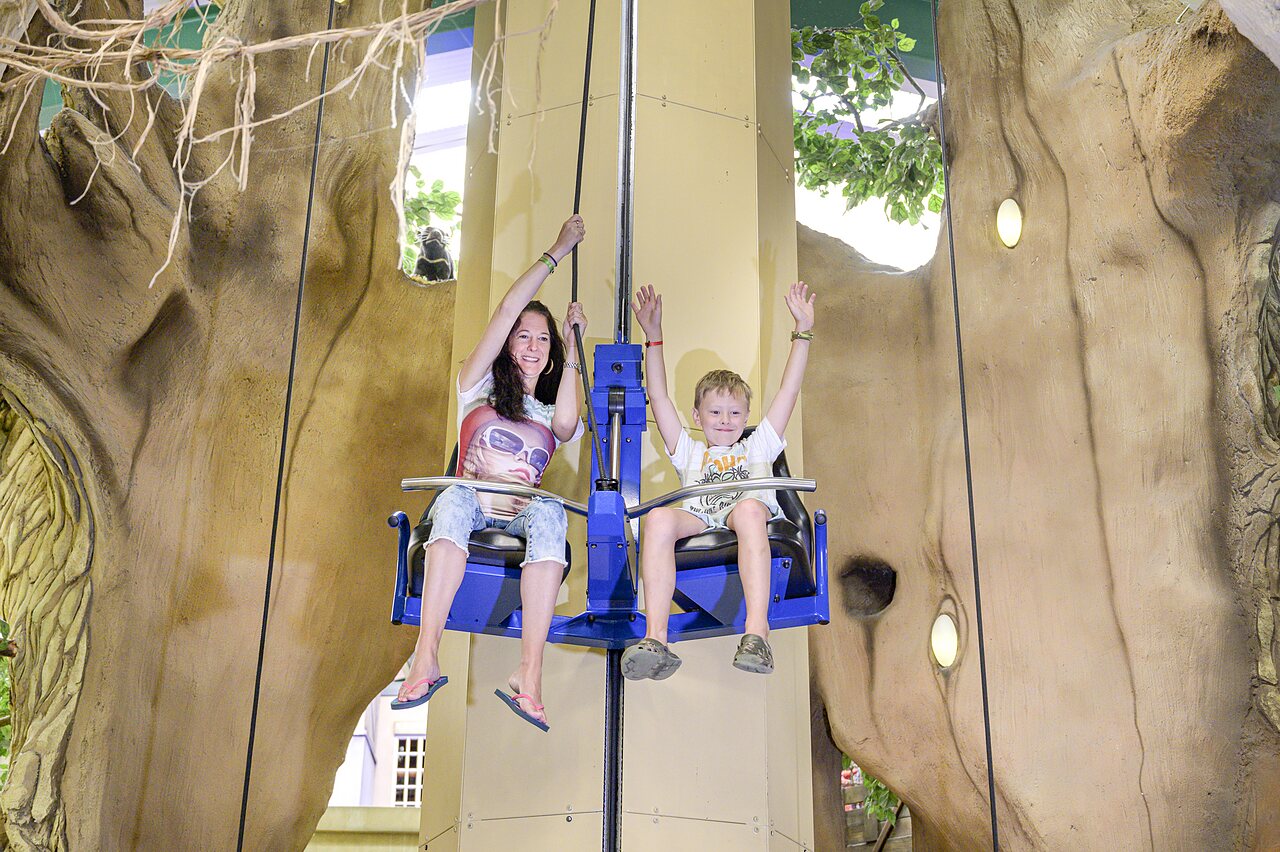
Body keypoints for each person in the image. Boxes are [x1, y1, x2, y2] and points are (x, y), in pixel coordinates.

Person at [393, 214, 588, 731]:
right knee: (453, 500)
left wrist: (572, 343)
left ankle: (530, 675)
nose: (530, 345)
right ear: (507, 344)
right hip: (472, 504)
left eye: (542, 341)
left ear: (549, 357)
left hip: (520, 514)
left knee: (550, 513)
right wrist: (557, 250)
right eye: (522, 336)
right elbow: (505, 310)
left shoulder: (547, 412)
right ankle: (426, 656)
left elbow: (568, 423)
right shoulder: (475, 389)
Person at [622, 281, 815, 680]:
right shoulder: (690, 452)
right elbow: (658, 399)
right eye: (714, 413)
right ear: (697, 416)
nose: (725, 422)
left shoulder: (759, 445)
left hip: (743, 516)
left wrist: (803, 332)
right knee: (656, 518)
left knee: (746, 510)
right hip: (703, 517)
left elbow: (789, 390)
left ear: (746, 417)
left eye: (733, 414)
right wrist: (653, 338)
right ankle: (656, 637)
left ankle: (756, 633)